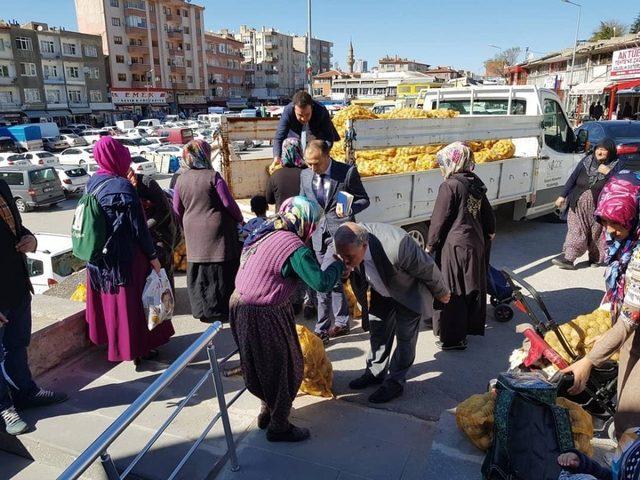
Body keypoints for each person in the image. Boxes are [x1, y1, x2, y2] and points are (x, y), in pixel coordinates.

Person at [230, 196, 345, 442]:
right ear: (307, 222)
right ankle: (279, 426)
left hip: (241, 304)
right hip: (263, 312)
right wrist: (337, 263)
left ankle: (267, 410)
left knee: (261, 365)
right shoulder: (293, 246)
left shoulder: (267, 230)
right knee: (287, 366)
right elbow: (321, 283)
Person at [333, 222, 450, 403]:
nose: (345, 261)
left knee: (405, 339)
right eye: (342, 257)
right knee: (378, 331)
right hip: (381, 290)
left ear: (364, 246)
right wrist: (345, 269)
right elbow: (344, 262)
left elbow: (427, 268)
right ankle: (375, 373)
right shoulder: (347, 245)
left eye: (349, 257)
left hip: (408, 293)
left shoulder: (397, 245)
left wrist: (442, 291)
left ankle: (395, 382)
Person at [562, 171, 640, 439]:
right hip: (632, 342)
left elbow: (630, 319)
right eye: (605, 222)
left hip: (635, 336)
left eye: (618, 223)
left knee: (630, 423)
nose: (610, 230)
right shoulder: (626, 246)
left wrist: (588, 361)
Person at [85, 137, 175, 365]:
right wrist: (153, 257)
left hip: (102, 260)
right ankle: (137, 350)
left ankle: (117, 346)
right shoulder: (123, 186)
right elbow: (139, 228)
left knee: (113, 306)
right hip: (127, 258)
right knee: (134, 307)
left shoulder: (93, 182)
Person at [0, 179, 67, 436]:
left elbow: (15, 227)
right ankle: (5, 408)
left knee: (17, 345)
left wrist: (30, 240)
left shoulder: (3, 186)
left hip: (17, 286)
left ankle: (27, 393)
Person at [426, 142, 495, 351]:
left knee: (453, 289)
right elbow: (488, 214)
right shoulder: (473, 182)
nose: (441, 168)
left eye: (442, 163)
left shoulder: (450, 185)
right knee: (470, 286)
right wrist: (489, 233)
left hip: (455, 246)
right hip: (474, 242)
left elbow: (440, 218)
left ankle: (453, 338)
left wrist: (430, 244)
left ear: (452, 162)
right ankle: (465, 329)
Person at [300, 140, 370, 343]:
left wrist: (350, 208)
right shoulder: (305, 175)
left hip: (340, 234)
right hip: (317, 236)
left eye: (316, 163)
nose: (312, 168)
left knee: (322, 280)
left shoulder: (346, 172)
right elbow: (303, 203)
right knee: (334, 280)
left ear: (327, 156)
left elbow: (364, 199)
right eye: (309, 163)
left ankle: (322, 328)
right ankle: (341, 322)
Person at [173, 139, 244, 323]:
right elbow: (228, 203)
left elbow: (176, 209)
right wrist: (239, 218)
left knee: (198, 269)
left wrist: (185, 224)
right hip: (216, 230)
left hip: (191, 230)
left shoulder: (180, 179)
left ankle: (202, 311)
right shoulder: (213, 176)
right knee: (220, 268)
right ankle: (222, 310)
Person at [553, 139, 618, 270]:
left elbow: (619, 184)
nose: (600, 152)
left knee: (596, 234)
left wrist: (609, 174)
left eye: (604, 150)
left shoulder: (615, 166)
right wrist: (562, 196)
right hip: (577, 203)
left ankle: (595, 258)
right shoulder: (586, 161)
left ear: (610, 152)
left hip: (599, 207)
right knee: (575, 230)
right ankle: (569, 258)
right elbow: (572, 178)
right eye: (598, 149)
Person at [127, 170, 178, 290]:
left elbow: (164, 210)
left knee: (162, 266)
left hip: (160, 231)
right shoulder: (117, 185)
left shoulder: (147, 183)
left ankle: (168, 301)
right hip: (138, 235)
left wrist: (144, 227)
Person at [273, 90, 340, 164]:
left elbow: (329, 137)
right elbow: (279, 137)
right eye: (300, 115)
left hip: (317, 138)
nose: (304, 119)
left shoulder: (321, 111)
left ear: (312, 107)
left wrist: (322, 153)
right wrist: (277, 157)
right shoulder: (288, 111)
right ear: (294, 108)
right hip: (296, 139)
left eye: (307, 114)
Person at [266, 138, 306, 212]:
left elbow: (269, 200)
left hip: (282, 219)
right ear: (300, 150)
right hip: (304, 218)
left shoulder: (276, 175)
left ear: (283, 152)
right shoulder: (308, 173)